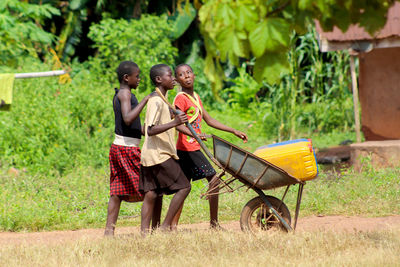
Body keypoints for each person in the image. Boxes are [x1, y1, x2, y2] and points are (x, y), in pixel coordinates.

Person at [172, 63, 248, 229]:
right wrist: (195, 135)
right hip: (188, 147)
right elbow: (176, 124)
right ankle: (214, 224)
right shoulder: (180, 99)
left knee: (184, 187)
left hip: (191, 147)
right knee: (214, 180)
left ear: (194, 75)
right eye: (181, 74)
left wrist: (233, 130)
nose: (186, 76)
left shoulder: (195, 97)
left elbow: (209, 120)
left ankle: (172, 226)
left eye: (189, 72)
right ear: (177, 80)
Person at [139, 64, 191, 235]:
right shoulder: (155, 101)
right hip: (159, 154)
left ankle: (145, 233)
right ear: (159, 79)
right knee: (184, 187)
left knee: (152, 193)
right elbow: (150, 129)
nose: (174, 79)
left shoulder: (162, 98)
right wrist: (175, 122)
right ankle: (164, 227)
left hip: (151, 155)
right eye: (170, 75)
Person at [104, 61, 154, 237]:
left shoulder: (122, 94)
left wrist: (149, 130)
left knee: (117, 192)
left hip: (119, 146)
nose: (139, 79)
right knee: (150, 189)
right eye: (137, 76)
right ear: (127, 78)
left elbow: (132, 125)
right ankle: (144, 231)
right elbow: (127, 118)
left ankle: (109, 231)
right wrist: (146, 100)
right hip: (127, 149)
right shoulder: (126, 94)